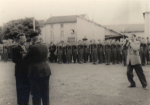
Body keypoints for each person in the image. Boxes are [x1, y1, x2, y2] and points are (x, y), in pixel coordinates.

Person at [23, 32, 51, 105]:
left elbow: (25, 59)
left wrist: (24, 54)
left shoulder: (32, 47)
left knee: (35, 94)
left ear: (32, 39)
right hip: (46, 70)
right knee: (45, 92)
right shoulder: (45, 45)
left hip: (35, 72)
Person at [12, 33, 30, 105]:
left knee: (27, 88)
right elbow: (14, 59)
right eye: (22, 39)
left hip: (27, 71)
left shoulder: (28, 47)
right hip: (19, 72)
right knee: (20, 89)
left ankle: (26, 103)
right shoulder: (15, 48)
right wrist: (23, 58)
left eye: (25, 38)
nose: (24, 40)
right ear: (18, 40)